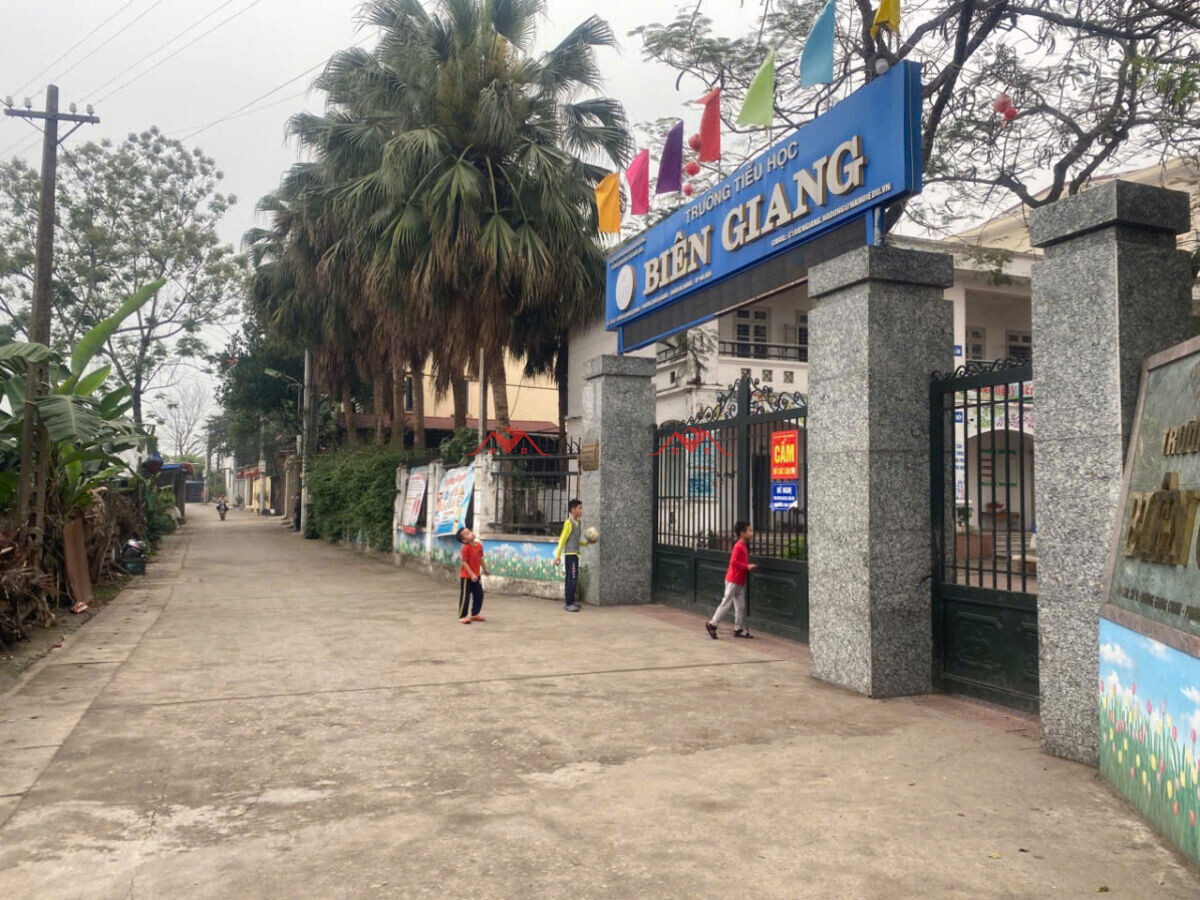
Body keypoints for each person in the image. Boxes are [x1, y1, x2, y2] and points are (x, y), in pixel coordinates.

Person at [706, 520, 757, 639]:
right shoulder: (738, 546)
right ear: (742, 533)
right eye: (749, 530)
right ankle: (712, 624)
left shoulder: (743, 546)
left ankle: (738, 629)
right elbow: (733, 562)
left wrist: (746, 567)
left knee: (740, 606)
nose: (752, 533)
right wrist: (747, 567)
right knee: (726, 603)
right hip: (733, 580)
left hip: (740, 580)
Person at [553, 498, 590, 613]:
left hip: (575, 555)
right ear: (573, 510)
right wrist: (557, 555)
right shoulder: (568, 523)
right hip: (570, 555)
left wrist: (586, 543)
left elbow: (576, 541)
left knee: (571, 578)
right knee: (572, 578)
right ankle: (569, 603)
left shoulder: (578, 523)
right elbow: (563, 539)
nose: (581, 511)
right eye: (580, 508)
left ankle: (570, 602)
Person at [456, 526, 489, 624]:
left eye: (470, 531)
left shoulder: (479, 545)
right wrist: (471, 575)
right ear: (464, 540)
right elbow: (464, 562)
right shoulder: (465, 548)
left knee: (479, 595)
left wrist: (485, 569)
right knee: (465, 597)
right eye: (467, 534)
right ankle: (462, 616)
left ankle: (475, 614)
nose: (471, 533)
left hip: (477, 576)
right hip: (466, 577)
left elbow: (481, 559)